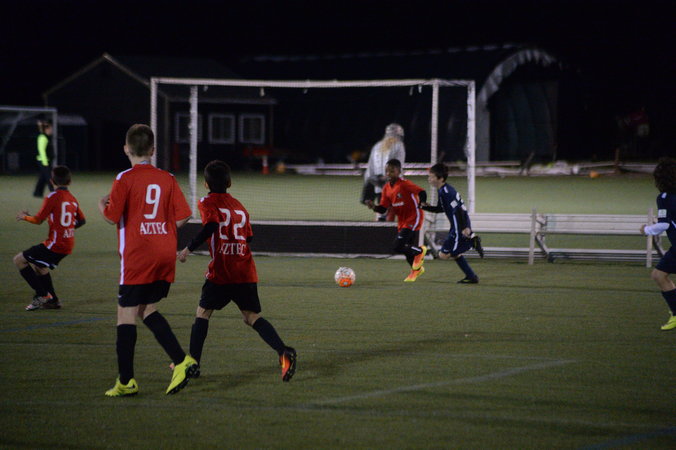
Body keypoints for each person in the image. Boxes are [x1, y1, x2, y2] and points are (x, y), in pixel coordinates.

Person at [99, 124, 197, 397]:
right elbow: (185, 215)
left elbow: (111, 217)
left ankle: (126, 381)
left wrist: (101, 205)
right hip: (164, 254)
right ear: (153, 150)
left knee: (125, 313)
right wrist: (162, 231)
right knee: (146, 308)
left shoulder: (124, 178)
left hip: (138, 255)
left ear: (126, 149)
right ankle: (182, 360)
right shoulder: (167, 177)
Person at [177, 160, 297, 382]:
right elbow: (248, 237)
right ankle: (283, 351)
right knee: (251, 317)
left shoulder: (206, 202)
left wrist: (188, 249)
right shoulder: (239, 206)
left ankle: (192, 364)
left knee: (203, 313)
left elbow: (211, 225)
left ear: (206, 184)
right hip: (245, 269)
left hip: (222, 271)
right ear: (229, 183)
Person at [14, 165, 86, 310]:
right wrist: (66, 229)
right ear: (69, 181)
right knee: (40, 266)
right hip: (67, 243)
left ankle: (42, 295)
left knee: (19, 260)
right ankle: (53, 301)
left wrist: (25, 217)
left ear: (52, 181)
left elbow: (38, 220)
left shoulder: (52, 196)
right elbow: (82, 221)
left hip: (55, 244)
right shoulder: (72, 198)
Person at [365, 158, 428, 282]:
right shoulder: (386, 188)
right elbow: (383, 209)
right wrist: (373, 207)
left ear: (399, 172)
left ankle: (420, 251)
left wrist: (422, 202)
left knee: (397, 246)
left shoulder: (405, 184)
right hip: (402, 221)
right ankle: (416, 270)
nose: (388, 174)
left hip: (413, 217)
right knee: (407, 248)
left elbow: (422, 192)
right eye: (387, 171)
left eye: (392, 171)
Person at [421, 163, 484, 284]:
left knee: (452, 253)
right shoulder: (443, 190)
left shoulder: (446, 192)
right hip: (457, 224)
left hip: (459, 225)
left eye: (431, 176)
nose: (429, 179)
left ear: (440, 178)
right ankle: (471, 277)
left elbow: (458, 210)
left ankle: (472, 242)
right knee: (443, 255)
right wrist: (424, 207)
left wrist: (464, 227)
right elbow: (440, 209)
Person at [641, 157, 676, 331]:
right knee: (659, 275)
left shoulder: (665, 197)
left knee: (659, 275)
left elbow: (665, 224)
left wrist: (646, 229)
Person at [361, 123, 406, 221]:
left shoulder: (377, 146)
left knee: (380, 210)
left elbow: (370, 169)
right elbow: (399, 165)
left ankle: (379, 226)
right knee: (392, 212)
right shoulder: (399, 145)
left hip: (378, 185)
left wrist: (369, 182)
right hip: (393, 185)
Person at [33, 120, 55, 197]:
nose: (51, 130)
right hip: (43, 161)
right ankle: (54, 193)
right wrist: (45, 162)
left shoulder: (46, 137)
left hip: (46, 160)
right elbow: (42, 150)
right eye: (50, 129)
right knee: (49, 177)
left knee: (42, 178)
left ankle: (37, 193)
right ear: (46, 129)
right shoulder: (42, 137)